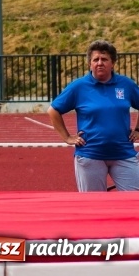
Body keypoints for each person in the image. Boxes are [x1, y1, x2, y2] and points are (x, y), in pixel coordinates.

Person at [48, 39, 139, 191]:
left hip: (123, 153)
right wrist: (67, 137)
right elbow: (53, 110)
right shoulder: (78, 87)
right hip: (90, 155)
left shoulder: (126, 85)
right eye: (95, 59)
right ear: (89, 64)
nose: (99, 63)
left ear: (113, 63)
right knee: (93, 205)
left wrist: (138, 130)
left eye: (104, 59)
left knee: (134, 202)